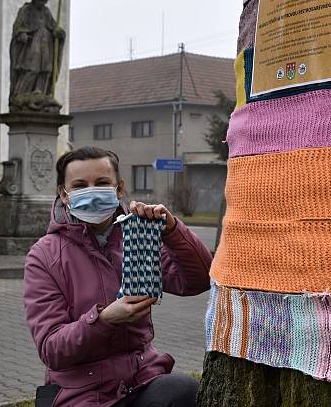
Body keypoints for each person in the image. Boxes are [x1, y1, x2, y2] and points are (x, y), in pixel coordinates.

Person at [23, 146, 213, 407]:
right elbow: (52, 349)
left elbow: (198, 279)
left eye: (101, 183)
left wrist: (172, 230)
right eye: (80, 185)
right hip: (80, 392)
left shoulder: (137, 236)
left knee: (183, 391)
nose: (91, 191)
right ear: (64, 195)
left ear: (119, 188)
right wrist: (103, 320)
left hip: (141, 380)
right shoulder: (45, 256)